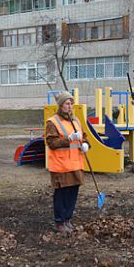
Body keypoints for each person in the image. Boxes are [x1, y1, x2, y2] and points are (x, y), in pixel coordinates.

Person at [45, 91, 90, 235]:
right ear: (61, 105)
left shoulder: (76, 121)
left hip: (76, 164)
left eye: (71, 103)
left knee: (72, 193)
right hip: (61, 165)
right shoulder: (53, 122)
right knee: (62, 194)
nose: (70, 106)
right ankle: (59, 222)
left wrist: (86, 144)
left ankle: (67, 219)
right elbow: (51, 143)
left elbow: (84, 136)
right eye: (67, 103)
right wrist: (69, 139)